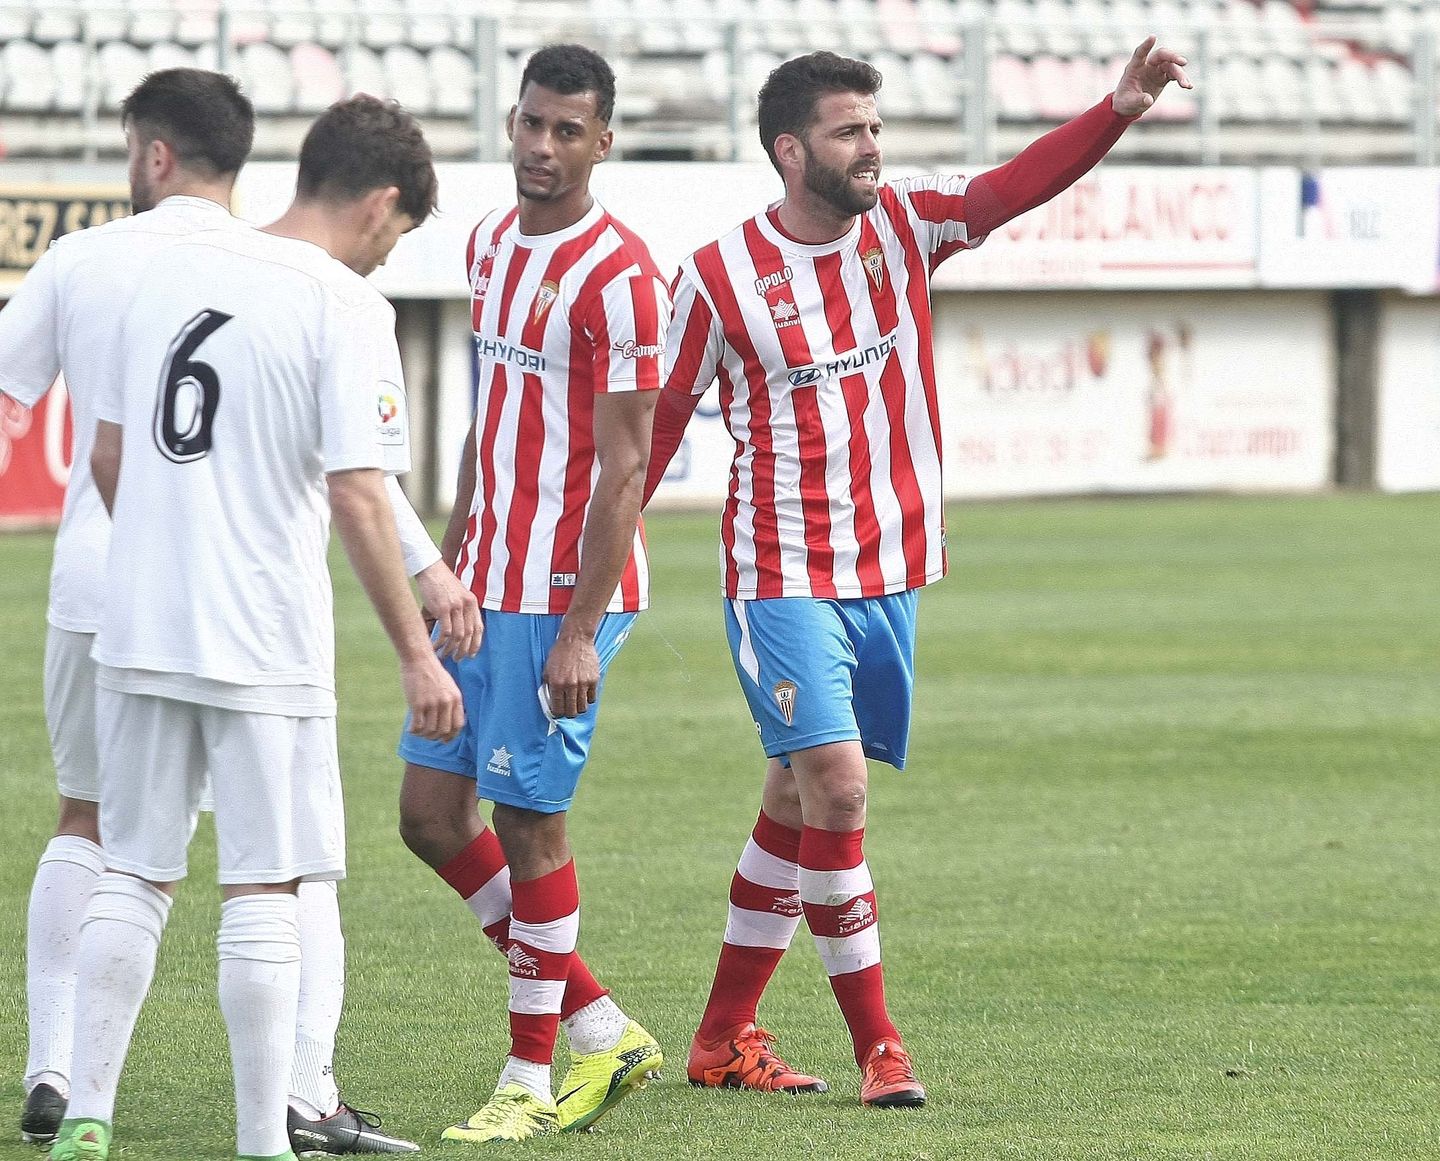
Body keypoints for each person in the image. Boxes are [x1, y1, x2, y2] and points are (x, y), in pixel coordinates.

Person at [646, 41, 1191, 1108]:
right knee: (838, 786)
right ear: (789, 149)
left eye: (876, 129)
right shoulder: (715, 280)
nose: (872, 150)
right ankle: (880, 1051)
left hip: (887, 571)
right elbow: (653, 435)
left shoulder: (904, 228)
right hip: (779, 571)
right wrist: (597, 568)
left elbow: (1008, 188)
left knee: (796, 795)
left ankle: (720, 1038)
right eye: (851, 131)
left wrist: (1114, 110)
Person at [0, 71, 467, 1155]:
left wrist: (167, 546)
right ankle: (267, 1137)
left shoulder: (157, 267)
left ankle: (87, 1108)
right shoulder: (340, 301)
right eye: (391, 238)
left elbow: (108, 449)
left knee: (130, 865)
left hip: (135, 617)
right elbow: (357, 488)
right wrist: (415, 656)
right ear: (377, 206)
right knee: (266, 881)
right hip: (261, 630)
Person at [394, 43, 667, 1142]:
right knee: (427, 816)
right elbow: (487, 417)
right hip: (483, 581)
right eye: (531, 125)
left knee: (527, 823)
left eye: (569, 131)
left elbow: (627, 467)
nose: (543, 149)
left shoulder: (623, 276)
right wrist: (448, 561)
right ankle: (600, 1024)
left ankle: (528, 1078)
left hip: (561, 595)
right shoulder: (489, 243)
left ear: (604, 142)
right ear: (511, 124)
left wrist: (579, 630)